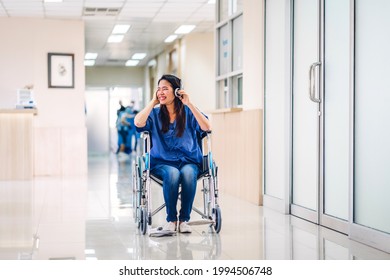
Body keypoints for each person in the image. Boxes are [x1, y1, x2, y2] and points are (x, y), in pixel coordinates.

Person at [134, 74, 211, 233]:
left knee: (189, 173)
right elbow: (138, 122)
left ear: (177, 92)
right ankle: (171, 220)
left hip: (189, 160)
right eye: (159, 89)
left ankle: (184, 220)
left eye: (165, 89)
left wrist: (189, 104)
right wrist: (153, 102)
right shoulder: (154, 114)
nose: (160, 92)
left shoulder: (189, 112)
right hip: (162, 162)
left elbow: (206, 127)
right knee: (173, 174)